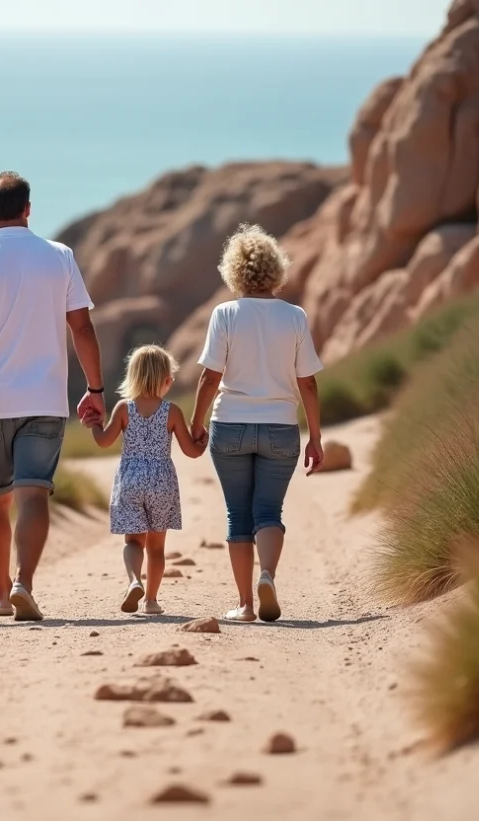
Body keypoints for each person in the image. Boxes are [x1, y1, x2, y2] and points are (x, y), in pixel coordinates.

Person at [0, 171, 105, 621]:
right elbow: (82, 328)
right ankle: (24, 583)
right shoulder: (60, 257)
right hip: (45, 400)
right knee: (33, 496)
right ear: (28, 208)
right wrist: (95, 390)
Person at [190, 224, 325, 623]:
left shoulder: (226, 314)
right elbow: (309, 383)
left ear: (234, 271)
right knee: (268, 511)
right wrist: (315, 437)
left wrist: (197, 425)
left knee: (238, 515)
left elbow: (209, 377)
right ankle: (267, 574)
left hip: (230, 425)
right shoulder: (295, 316)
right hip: (281, 428)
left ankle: (247, 605)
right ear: (275, 270)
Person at [86, 345, 204, 615]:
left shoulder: (124, 408)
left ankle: (133, 581)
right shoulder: (172, 411)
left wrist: (94, 423)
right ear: (165, 381)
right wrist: (203, 442)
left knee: (133, 542)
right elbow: (191, 451)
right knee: (157, 548)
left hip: (131, 479)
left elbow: (104, 442)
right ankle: (151, 601)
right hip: (161, 481)